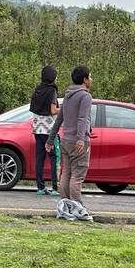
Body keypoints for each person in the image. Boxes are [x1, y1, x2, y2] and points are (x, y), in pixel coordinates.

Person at [46, 66, 92, 204]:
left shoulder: (68, 96)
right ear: (84, 79)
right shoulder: (85, 96)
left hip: (65, 139)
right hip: (79, 140)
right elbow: (82, 118)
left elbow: (59, 119)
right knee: (77, 175)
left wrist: (51, 139)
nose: (91, 79)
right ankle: (77, 204)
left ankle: (65, 202)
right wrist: (80, 139)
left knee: (67, 172)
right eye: (90, 77)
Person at [30, 65, 60, 196]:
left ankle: (40, 187)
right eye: (56, 76)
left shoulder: (37, 90)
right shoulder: (51, 90)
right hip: (49, 130)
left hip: (37, 129)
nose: (56, 79)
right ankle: (55, 188)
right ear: (52, 77)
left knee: (40, 158)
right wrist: (63, 109)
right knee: (54, 158)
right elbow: (53, 110)